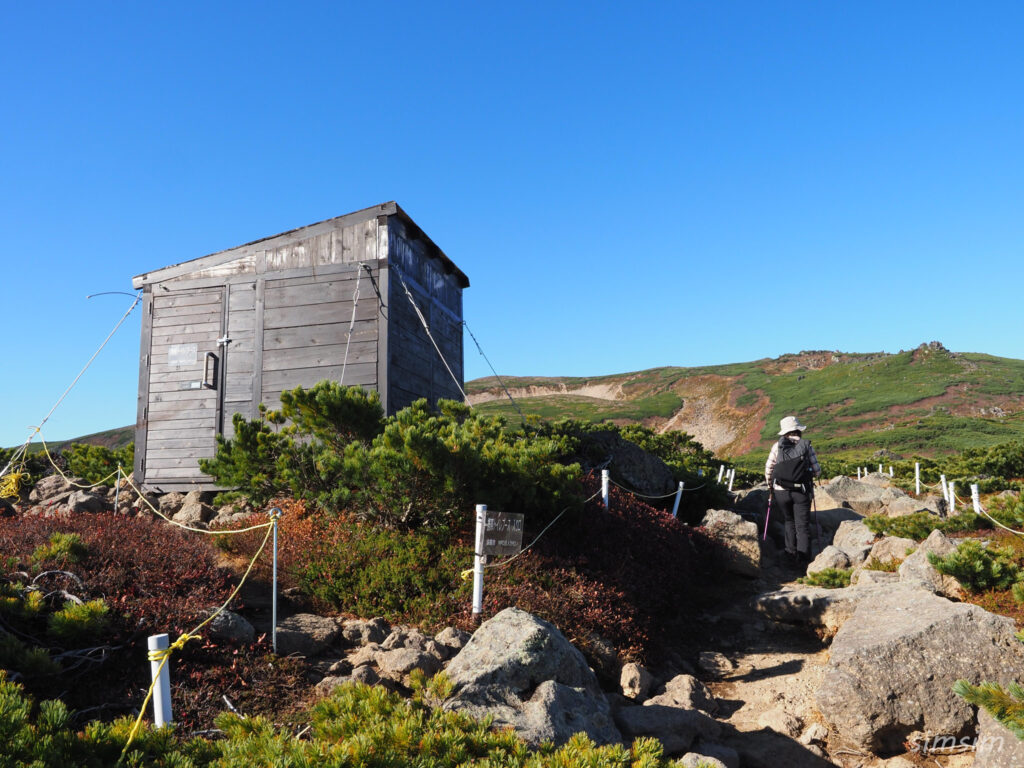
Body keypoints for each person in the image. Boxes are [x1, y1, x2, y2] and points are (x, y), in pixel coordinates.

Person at [765, 415, 821, 565]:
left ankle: (790, 555)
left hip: (781, 491)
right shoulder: (806, 446)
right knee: (802, 526)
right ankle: (803, 562)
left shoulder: (777, 446)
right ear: (798, 430)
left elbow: (769, 468)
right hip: (801, 491)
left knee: (789, 521)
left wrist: (771, 486)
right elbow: (817, 470)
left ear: (784, 432)